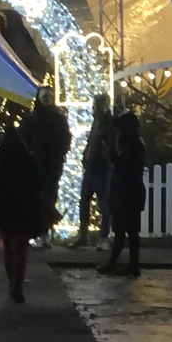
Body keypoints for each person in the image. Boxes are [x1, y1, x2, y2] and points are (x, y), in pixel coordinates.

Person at [0, 127, 44, 302]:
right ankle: (17, 285)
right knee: (20, 250)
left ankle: (12, 281)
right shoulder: (27, 158)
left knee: (8, 247)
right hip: (24, 208)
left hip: (5, 207)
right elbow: (36, 184)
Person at [21, 86, 72, 245]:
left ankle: (45, 233)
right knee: (39, 198)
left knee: (48, 198)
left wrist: (60, 152)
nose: (47, 101)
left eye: (49, 98)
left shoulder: (58, 118)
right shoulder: (32, 119)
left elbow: (66, 139)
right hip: (37, 163)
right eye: (44, 98)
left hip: (51, 164)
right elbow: (24, 138)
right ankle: (40, 232)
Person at [97, 112, 146, 277]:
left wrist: (110, 155)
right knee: (122, 229)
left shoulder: (134, 146)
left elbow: (125, 169)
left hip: (129, 192)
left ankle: (130, 264)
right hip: (126, 191)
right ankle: (124, 263)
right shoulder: (130, 144)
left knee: (129, 229)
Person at [72, 94, 114, 250]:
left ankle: (103, 238)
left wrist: (104, 156)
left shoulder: (108, 124)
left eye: (95, 105)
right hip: (91, 167)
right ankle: (84, 235)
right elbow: (92, 142)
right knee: (84, 201)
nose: (93, 108)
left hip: (101, 169)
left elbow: (109, 145)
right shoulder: (97, 122)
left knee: (104, 205)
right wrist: (86, 156)